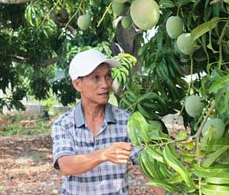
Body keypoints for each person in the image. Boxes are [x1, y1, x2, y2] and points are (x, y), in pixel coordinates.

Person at [51, 48, 165, 195]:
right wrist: (104, 154)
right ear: (78, 85)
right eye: (96, 78)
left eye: (108, 76)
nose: (105, 84)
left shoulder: (127, 121)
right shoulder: (63, 124)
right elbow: (66, 165)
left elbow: (147, 166)